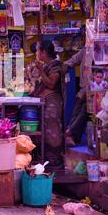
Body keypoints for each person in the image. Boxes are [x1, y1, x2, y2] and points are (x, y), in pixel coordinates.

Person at [30, 39, 65, 170]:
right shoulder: (45, 65)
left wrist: (40, 70)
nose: (36, 53)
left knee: (53, 133)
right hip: (45, 104)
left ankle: (55, 162)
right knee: (44, 133)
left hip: (52, 105)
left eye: (38, 50)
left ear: (43, 52)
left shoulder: (55, 65)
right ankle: (46, 161)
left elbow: (51, 83)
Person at [63, 47, 89, 147]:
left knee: (85, 108)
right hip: (84, 89)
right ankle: (70, 133)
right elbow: (73, 60)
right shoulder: (86, 50)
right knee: (77, 107)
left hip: (98, 90)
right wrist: (64, 65)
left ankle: (70, 131)